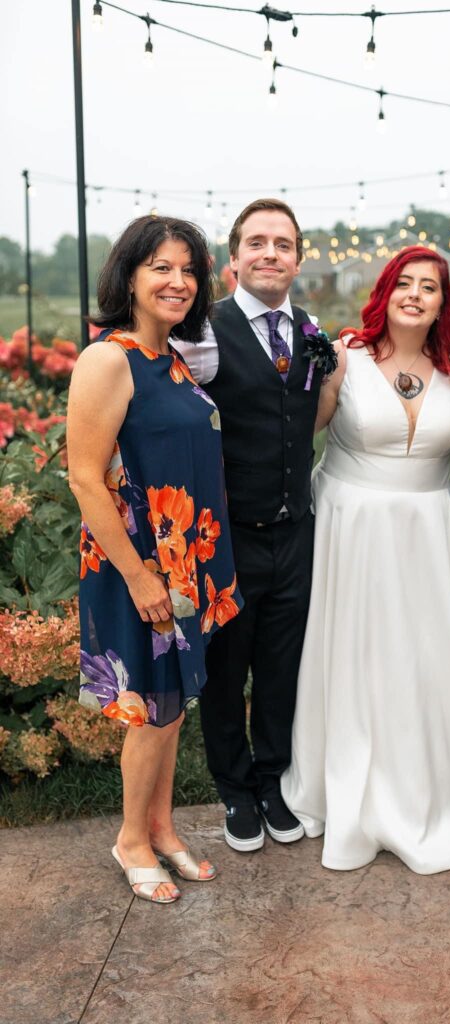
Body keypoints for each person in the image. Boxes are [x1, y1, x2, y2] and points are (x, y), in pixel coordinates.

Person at [281, 246, 450, 875]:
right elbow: (305, 433)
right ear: (385, 291)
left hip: (427, 530)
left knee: (427, 652)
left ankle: (431, 774)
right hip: (351, 527)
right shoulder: (347, 356)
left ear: (443, 303)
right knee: (358, 653)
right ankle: (349, 779)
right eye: (404, 283)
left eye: (430, 287)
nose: (416, 294)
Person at [68, 215, 243, 904]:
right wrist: (141, 578)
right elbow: (85, 477)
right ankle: (130, 840)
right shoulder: (107, 358)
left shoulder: (170, 358)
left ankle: (162, 827)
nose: (178, 281)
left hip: (184, 565)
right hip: (136, 569)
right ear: (131, 277)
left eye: (189, 269)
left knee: (174, 702)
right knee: (150, 705)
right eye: (161, 267)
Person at [173, 199, 329, 853]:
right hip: (228, 535)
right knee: (226, 666)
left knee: (281, 665)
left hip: (296, 532)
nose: (271, 253)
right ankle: (235, 789)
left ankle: (272, 781)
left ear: (298, 258)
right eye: (257, 242)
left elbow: (310, 418)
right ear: (232, 259)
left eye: (284, 244)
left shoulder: (311, 331)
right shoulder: (203, 330)